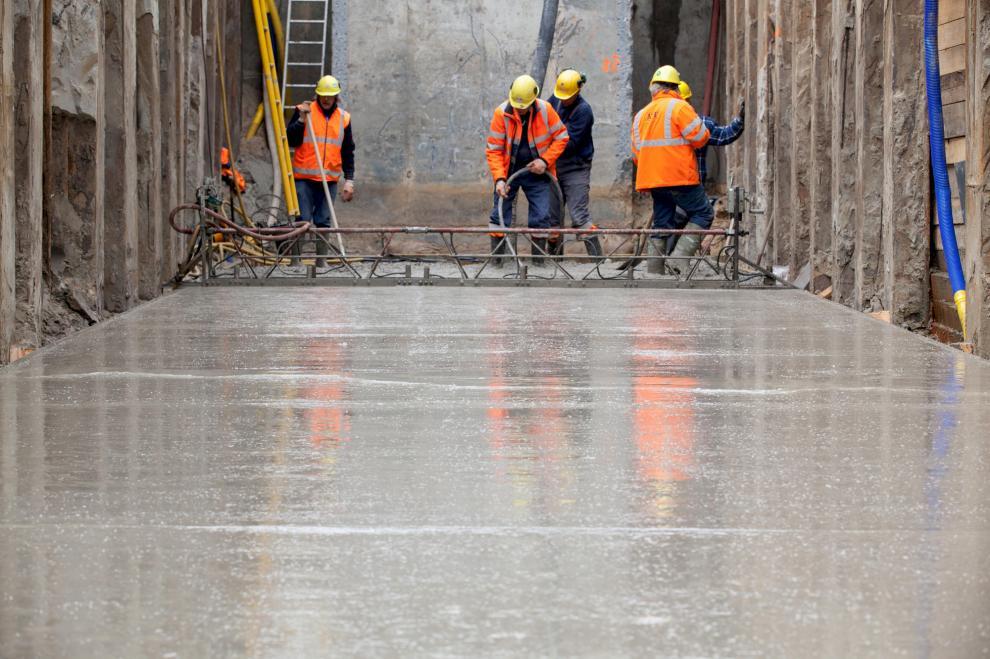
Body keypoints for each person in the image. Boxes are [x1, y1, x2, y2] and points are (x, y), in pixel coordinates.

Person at [630, 65, 712, 273]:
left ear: (653, 88)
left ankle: (654, 269)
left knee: (662, 223)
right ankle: (679, 258)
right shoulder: (680, 107)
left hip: (653, 180)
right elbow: (701, 138)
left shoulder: (640, 115)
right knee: (703, 213)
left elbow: (637, 154)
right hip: (680, 177)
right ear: (675, 87)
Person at [485, 74, 569, 266]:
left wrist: (545, 161)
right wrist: (499, 179)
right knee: (499, 215)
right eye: (517, 107)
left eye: (524, 107)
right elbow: (494, 150)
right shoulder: (501, 113)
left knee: (541, 216)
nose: (520, 110)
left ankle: (538, 264)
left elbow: (562, 137)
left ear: (533, 101)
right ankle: (496, 263)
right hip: (508, 173)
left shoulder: (545, 110)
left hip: (538, 172)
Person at [286, 75, 355, 267]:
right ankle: (295, 262)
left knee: (323, 221)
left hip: (329, 179)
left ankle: (321, 263)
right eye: (323, 95)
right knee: (302, 220)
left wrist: (349, 180)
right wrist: (301, 121)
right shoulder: (304, 111)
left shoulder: (344, 118)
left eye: (330, 96)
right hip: (304, 178)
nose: (326, 99)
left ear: (336, 97)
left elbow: (348, 151)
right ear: (317, 95)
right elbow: (290, 140)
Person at [547, 69, 602, 259]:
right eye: (561, 96)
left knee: (579, 216)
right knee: (552, 220)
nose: (563, 100)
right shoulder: (554, 100)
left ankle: (598, 263)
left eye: (568, 97)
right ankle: (554, 262)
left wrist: (545, 150)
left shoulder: (583, 111)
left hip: (576, 167)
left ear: (578, 91)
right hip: (554, 166)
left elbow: (568, 144)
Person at [678, 81, 744, 187]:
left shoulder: (657, 125)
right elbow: (725, 135)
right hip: (692, 186)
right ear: (689, 102)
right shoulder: (700, 124)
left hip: (665, 185)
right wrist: (740, 119)